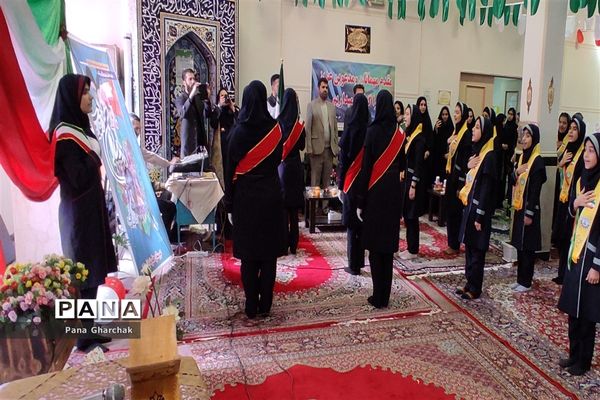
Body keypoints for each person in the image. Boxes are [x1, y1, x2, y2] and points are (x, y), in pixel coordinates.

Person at [50, 74, 117, 351]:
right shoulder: (65, 136)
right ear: (72, 98)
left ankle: (90, 330)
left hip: (91, 210)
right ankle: (82, 337)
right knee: (82, 275)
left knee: (93, 273)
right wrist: (94, 155)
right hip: (78, 215)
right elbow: (76, 177)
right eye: (85, 92)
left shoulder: (81, 129)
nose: (90, 97)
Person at [225, 80, 286, 319]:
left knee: (249, 257)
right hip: (271, 196)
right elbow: (277, 159)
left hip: (245, 199)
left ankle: (251, 305)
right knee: (268, 256)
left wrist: (229, 204)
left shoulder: (238, 132)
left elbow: (229, 171)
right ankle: (266, 305)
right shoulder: (276, 130)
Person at [557, 131, 600, 376]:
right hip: (576, 254)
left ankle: (583, 361)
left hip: (591, 259)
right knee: (573, 309)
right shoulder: (583, 178)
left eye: (592, 151)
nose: (586, 155)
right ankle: (573, 355)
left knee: (587, 314)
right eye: (586, 150)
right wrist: (575, 204)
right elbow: (571, 214)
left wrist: (597, 266)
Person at [355, 90, 404, 308]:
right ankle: (385, 296)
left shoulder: (372, 131)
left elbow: (366, 169)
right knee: (387, 249)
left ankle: (378, 296)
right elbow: (403, 164)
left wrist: (360, 200)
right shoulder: (398, 133)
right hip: (393, 192)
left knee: (375, 248)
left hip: (375, 193)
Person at [456, 116, 497, 300]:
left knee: (477, 251)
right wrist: (468, 166)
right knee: (470, 247)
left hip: (479, 211)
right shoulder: (478, 153)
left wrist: (480, 216)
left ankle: (475, 287)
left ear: (485, 132)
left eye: (478, 127)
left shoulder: (490, 156)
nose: (473, 129)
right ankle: (468, 283)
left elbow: (486, 189)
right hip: (470, 207)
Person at [129, 113, 179, 243]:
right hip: (135, 200)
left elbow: (151, 156)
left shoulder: (134, 147)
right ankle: (165, 241)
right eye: (135, 129)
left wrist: (169, 164)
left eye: (139, 129)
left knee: (168, 197)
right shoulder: (127, 148)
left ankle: (166, 238)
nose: (137, 132)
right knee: (170, 207)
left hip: (143, 193)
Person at [509, 124, 546, 292]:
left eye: (528, 136)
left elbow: (535, 190)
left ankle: (526, 281)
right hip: (519, 206)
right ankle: (520, 279)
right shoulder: (522, 157)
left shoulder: (537, 161)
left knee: (528, 247)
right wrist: (517, 172)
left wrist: (529, 213)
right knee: (519, 244)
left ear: (534, 139)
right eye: (523, 135)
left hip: (529, 209)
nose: (524, 139)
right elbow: (512, 180)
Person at [337, 93, 369, 275]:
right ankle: (360, 262)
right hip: (363, 186)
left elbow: (343, 161)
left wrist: (340, 185)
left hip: (350, 184)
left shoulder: (349, 130)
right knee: (361, 225)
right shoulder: (370, 132)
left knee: (351, 226)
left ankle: (352, 265)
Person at [552, 114, 586, 284]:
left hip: (574, 202)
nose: (571, 132)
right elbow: (561, 172)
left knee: (569, 237)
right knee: (561, 237)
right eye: (570, 129)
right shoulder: (568, 149)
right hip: (563, 199)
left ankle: (567, 275)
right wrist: (561, 162)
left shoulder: (583, 153)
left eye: (574, 129)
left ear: (581, 132)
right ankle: (561, 274)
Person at [277, 88, 306, 255]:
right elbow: (302, 146)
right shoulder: (299, 126)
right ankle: (294, 245)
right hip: (295, 168)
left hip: (281, 168)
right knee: (294, 211)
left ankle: (282, 244)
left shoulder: (278, 123)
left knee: (282, 210)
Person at [400, 104, 427, 260]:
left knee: (412, 216)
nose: (405, 117)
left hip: (413, 182)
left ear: (414, 116)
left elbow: (418, 164)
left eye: (408, 114)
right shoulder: (410, 135)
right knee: (407, 215)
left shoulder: (420, 139)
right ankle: (410, 247)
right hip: (407, 179)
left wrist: (413, 185)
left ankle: (413, 249)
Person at [444, 102, 471, 255]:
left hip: (458, 179)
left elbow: (464, 160)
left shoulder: (465, 134)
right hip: (451, 176)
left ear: (463, 115)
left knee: (455, 212)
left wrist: (461, 184)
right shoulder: (456, 132)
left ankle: (455, 244)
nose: (455, 115)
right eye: (454, 112)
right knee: (449, 210)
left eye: (457, 112)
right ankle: (451, 242)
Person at [305, 77, 339, 189]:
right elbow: (308, 129)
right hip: (316, 151)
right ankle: (314, 202)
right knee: (315, 182)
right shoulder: (311, 105)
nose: (325, 90)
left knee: (327, 184)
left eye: (327, 87)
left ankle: (325, 202)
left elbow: (335, 129)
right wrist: (309, 149)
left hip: (329, 151)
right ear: (318, 88)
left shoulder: (331, 106)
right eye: (323, 87)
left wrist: (335, 147)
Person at [174, 69, 209, 157]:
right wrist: (191, 95)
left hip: (201, 145)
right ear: (184, 82)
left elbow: (207, 115)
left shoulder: (198, 98)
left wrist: (207, 99)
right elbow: (182, 113)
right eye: (190, 79)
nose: (193, 81)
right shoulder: (180, 99)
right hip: (189, 146)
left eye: (194, 79)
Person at [553, 112, 572, 227]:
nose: (561, 125)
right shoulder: (554, 136)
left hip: (563, 178)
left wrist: (560, 163)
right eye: (560, 122)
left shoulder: (569, 141)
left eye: (564, 123)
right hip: (553, 175)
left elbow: (566, 161)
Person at [431, 106, 454, 181]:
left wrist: (448, 154)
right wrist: (436, 129)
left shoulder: (451, 127)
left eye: (446, 114)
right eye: (443, 114)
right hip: (438, 157)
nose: (444, 116)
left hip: (447, 157)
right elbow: (434, 141)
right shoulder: (438, 126)